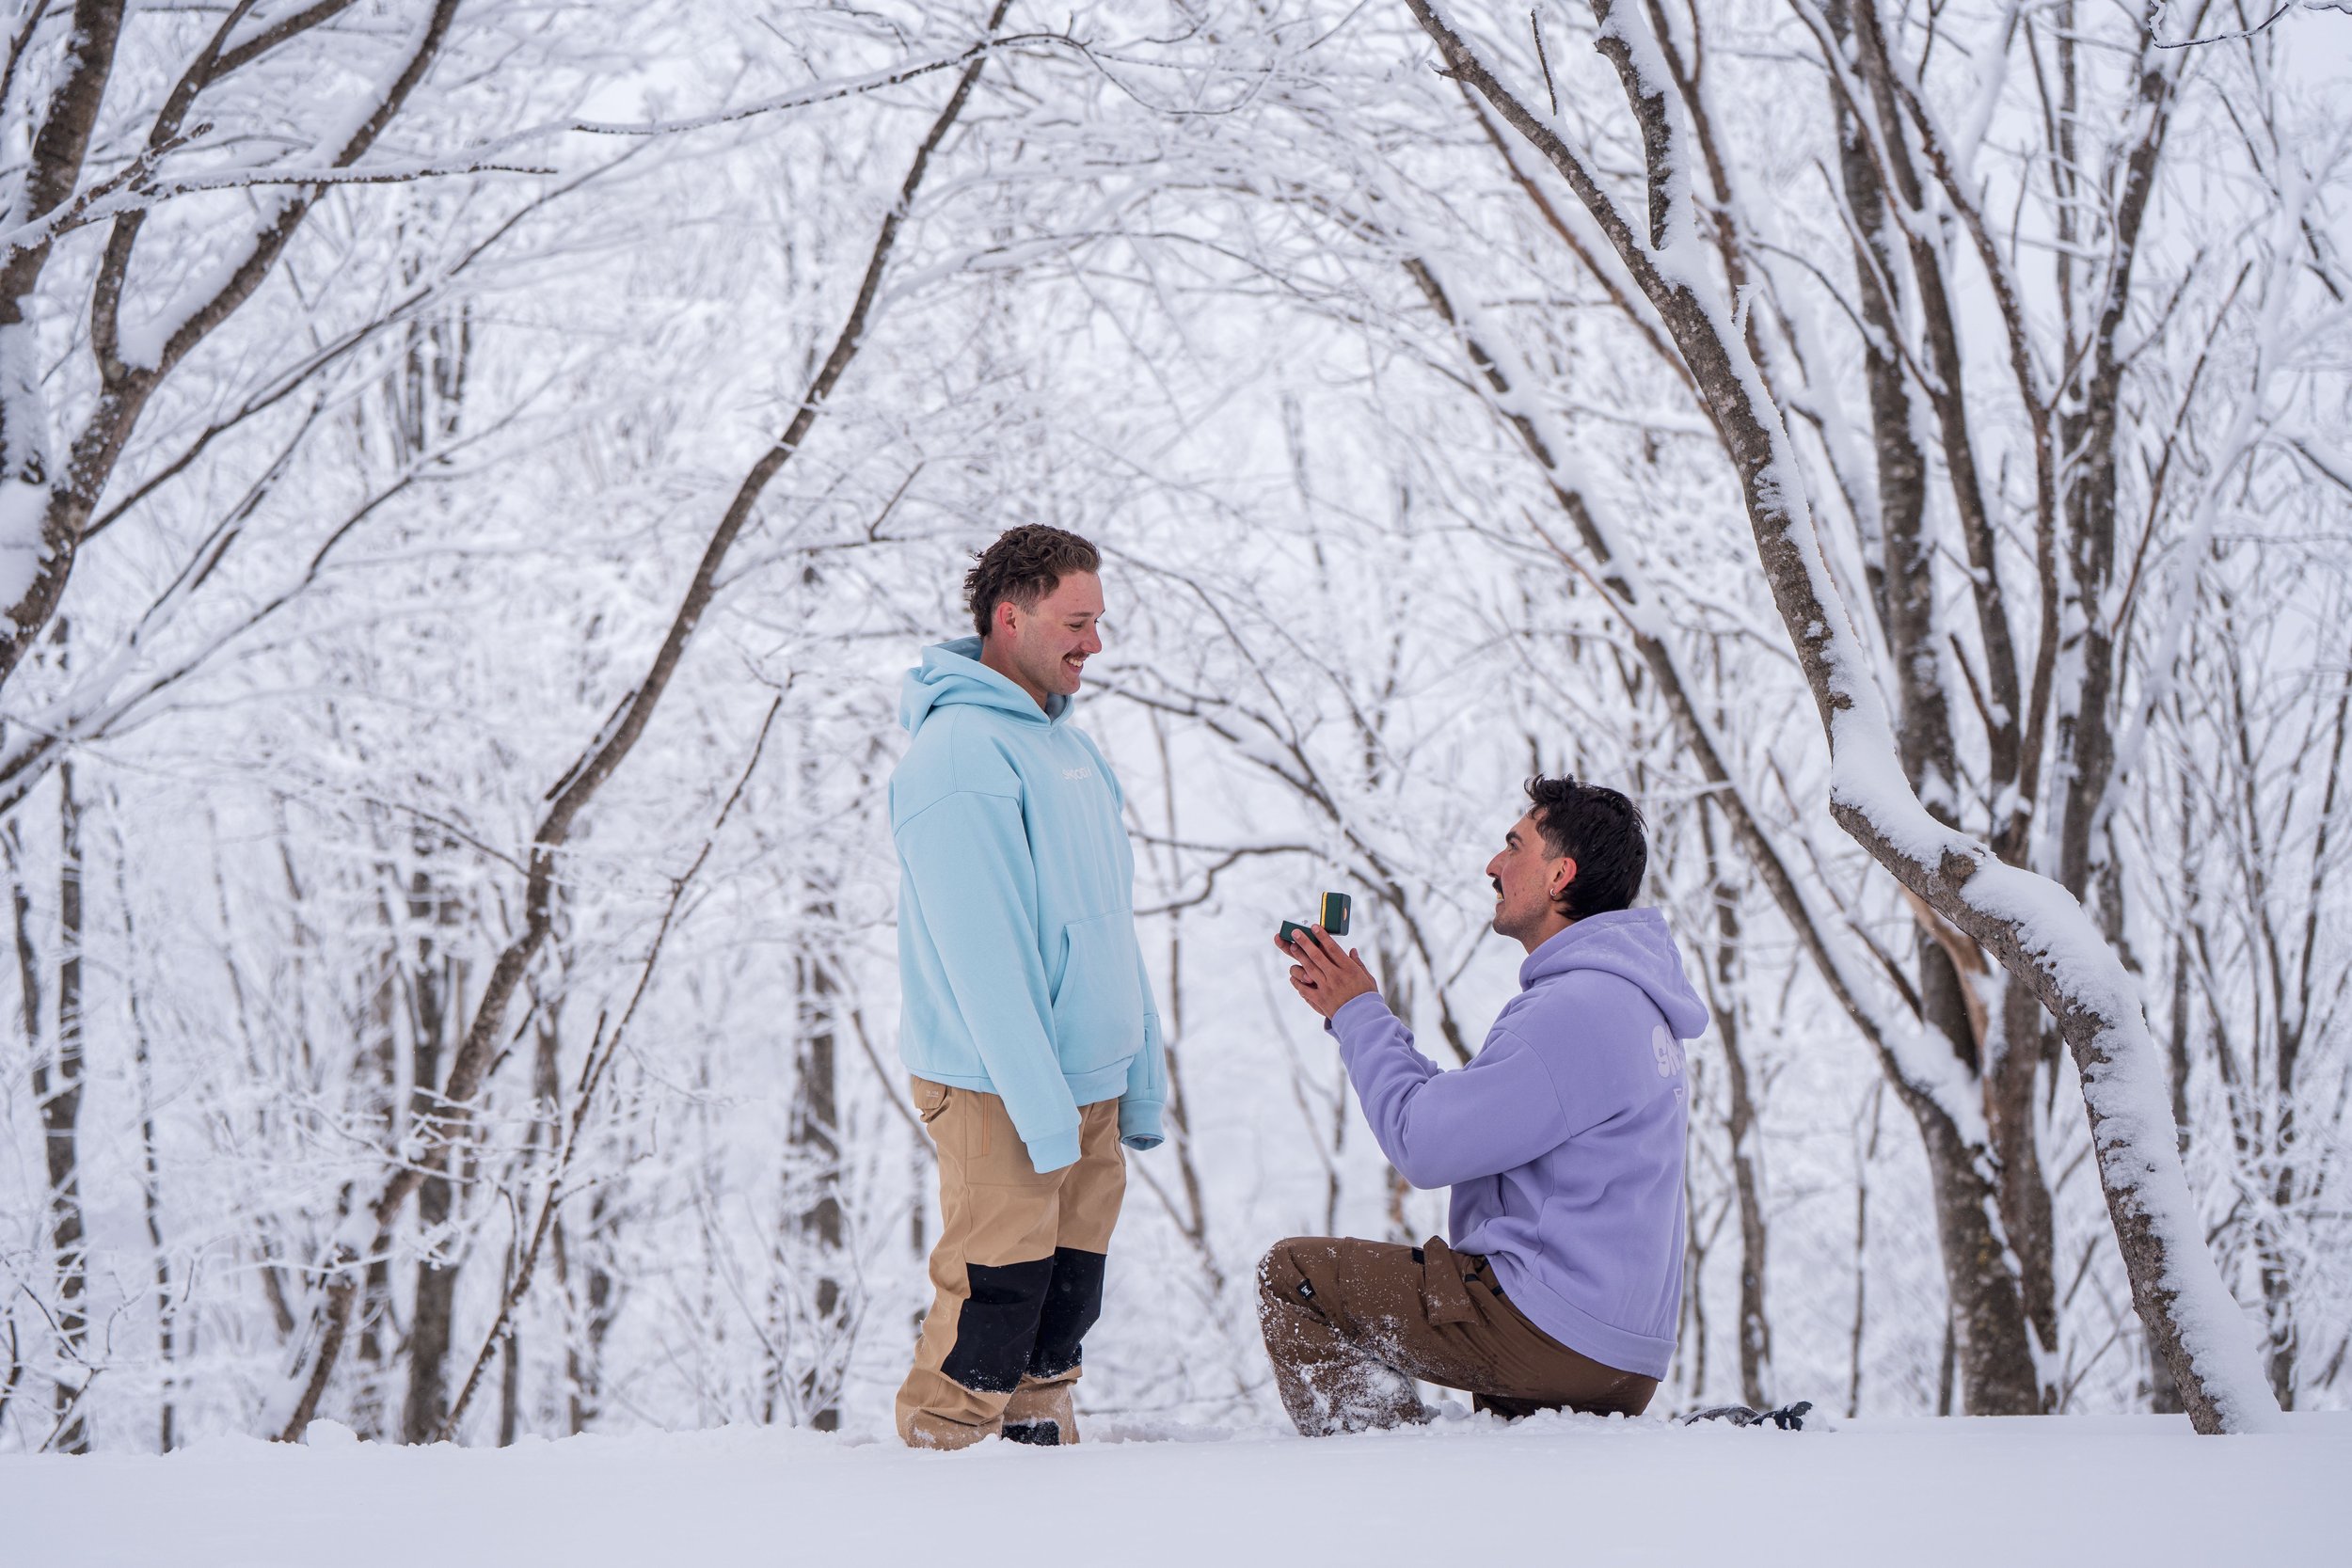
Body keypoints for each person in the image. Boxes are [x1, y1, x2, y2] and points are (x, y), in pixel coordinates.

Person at [1258, 776, 1706, 1433]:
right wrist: (1358, 1010)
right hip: (1621, 1349)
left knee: (1294, 1277)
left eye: (1513, 845)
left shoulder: (1572, 1010)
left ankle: (1381, 1471)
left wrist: (1356, 1012)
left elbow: (1425, 1142)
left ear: (1560, 874)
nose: (1493, 865)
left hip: (1553, 1329)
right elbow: (1459, 1116)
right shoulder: (1630, 1004)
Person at [889, 525, 1166, 1449]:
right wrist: (1041, 1109)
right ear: (1011, 619)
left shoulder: (1073, 756)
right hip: (1001, 1087)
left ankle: (1042, 1491)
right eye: (1076, 621)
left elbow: (1108, 926)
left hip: (1084, 1081)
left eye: (1099, 621)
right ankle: (939, 1474)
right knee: (991, 1313)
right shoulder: (961, 754)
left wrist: (1137, 1072)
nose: (1094, 642)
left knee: (1057, 1322)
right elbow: (984, 955)